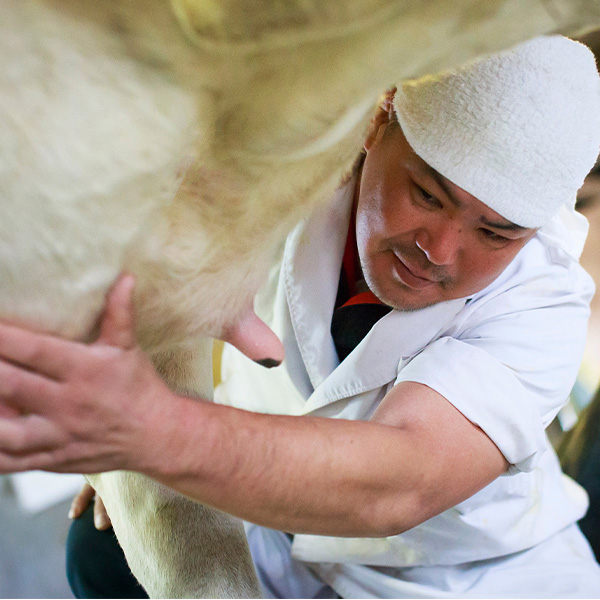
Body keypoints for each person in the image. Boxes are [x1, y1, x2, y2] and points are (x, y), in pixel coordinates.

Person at [1, 34, 600, 598]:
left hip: (457, 574)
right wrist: (137, 460)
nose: (439, 249)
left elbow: (399, 480)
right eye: (426, 194)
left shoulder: (546, 306)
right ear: (380, 118)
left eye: (494, 233)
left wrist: (146, 433)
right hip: (276, 527)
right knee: (100, 551)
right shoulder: (284, 167)